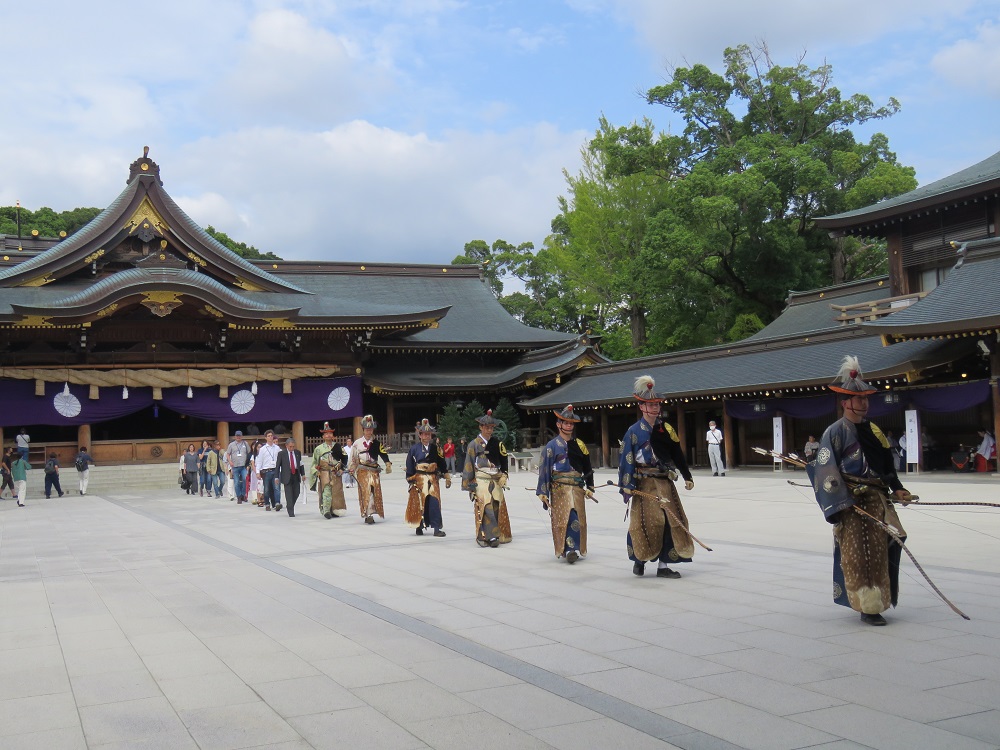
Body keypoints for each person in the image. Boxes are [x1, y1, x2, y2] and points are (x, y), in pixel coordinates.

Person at [807, 355, 913, 626]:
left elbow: (886, 465)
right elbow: (824, 469)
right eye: (858, 399)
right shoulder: (834, 432)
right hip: (850, 503)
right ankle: (866, 605)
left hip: (876, 500)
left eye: (866, 399)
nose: (864, 403)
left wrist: (898, 488)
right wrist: (842, 502)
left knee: (879, 552)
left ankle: (879, 599)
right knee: (857, 555)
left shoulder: (874, 430)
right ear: (845, 402)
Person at [619, 375, 696, 579]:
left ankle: (663, 566)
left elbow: (677, 454)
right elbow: (626, 459)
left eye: (657, 404)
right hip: (644, 483)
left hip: (665, 481)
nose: (655, 408)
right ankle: (639, 559)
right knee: (643, 522)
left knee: (670, 521)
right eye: (651, 404)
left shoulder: (666, 429)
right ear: (642, 406)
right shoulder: (633, 432)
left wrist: (687, 476)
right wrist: (627, 484)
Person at [536, 404, 594, 564]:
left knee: (578, 519)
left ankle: (573, 547)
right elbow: (544, 470)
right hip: (560, 489)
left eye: (571, 423)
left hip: (577, 488)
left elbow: (587, 467)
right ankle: (570, 549)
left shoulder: (579, 444)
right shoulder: (551, 446)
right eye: (565, 423)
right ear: (558, 424)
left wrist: (590, 486)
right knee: (567, 518)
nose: (569, 426)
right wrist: (543, 492)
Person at [462, 409, 511, 547]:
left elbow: (504, 460)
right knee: (486, 506)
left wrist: (504, 474)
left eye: (491, 428)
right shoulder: (473, 444)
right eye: (486, 427)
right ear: (481, 427)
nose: (489, 430)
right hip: (481, 479)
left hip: (495, 478)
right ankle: (490, 536)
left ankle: (498, 533)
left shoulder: (497, 443)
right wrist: (470, 486)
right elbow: (469, 465)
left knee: (497, 505)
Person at [405, 419, 450, 537]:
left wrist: (446, 474)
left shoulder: (435, 448)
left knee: (434, 502)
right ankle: (419, 526)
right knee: (419, 503)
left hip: (433, 478)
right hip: (419, 479)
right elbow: (410, 463)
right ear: (420, 435)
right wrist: (410, 477)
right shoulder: (414, 449)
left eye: (429, 434)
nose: (427, 436)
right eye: (424, 434)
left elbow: (441, 462)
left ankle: (436, 528)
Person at [348, 415, 392, 524]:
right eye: (367, 429)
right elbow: (353, 457)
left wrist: (387, 463)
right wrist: (351, 468)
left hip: (374, 470)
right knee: (365, 492)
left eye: (371, 429)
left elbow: (383, 453)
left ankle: (372, 511)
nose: (369, 432)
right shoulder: (357, 443)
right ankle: (368, 514)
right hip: (362, 470)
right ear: (363, 430)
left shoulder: (376, 443)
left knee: (374, 491)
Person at [311, 422, 349, 519]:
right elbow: (315, 462)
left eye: (330, 433)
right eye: (326, 433)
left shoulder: (338, 447)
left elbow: (345, 458)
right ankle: (326, 510)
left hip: (335, 472)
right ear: (323, 436)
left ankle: (335, 510)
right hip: (324, 472)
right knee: (326, 491)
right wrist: (317, 472)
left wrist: (342, 469)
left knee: (336, 492)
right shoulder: (318, 449)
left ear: (333, 435)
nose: (328, 435)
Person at [276, 438, 305, 517]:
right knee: (289, 494)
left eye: (293, 446)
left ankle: (290, 505)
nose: (292, 448)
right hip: (286, 475)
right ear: (286, 446)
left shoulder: (297, 453)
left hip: (295, 474)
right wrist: (276, 477)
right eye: (290, 447)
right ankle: (291, 511)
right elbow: (277, 466)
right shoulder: (282, 454)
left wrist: (303, 474)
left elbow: (301, 464)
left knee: (297, 492)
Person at [256, 430, 282, 512]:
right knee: (267, 489)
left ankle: (277, 503)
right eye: (268, 436)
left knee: (277, 488)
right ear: (265, 438)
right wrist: (258, 472)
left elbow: (280, 460)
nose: (270, 437)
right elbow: (259, 461)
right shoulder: (263, 449)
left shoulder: (277, 448)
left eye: (271, 436)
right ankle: (267, 503)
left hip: (276, 470)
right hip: (266, 471)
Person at [224, 431, 250, 504]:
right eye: (237, 436)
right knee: (236, 482)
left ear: (241, 436)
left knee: (245, 480)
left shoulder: (245, 444)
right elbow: (228, 454)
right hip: (235, 466)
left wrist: (248, 464)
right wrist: (230, 461)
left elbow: (248, 453)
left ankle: (243, 494)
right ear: (235, 436)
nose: (238, 437)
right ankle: (238, 496)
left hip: (243, 466)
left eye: (239, 436)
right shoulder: (231, 445)